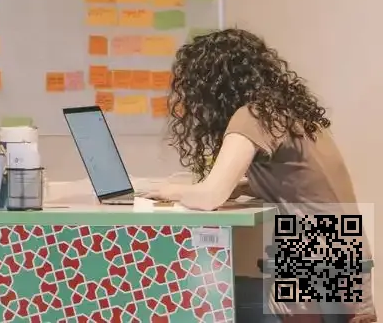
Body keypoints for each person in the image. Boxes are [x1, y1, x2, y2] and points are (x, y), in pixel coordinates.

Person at [146, 28, 374, 322]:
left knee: (213, 297)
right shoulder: (288, 111)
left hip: (314, 264)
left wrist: (168, 191)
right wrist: (243, 187)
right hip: (346, 254)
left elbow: (209, 196)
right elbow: (298, 182)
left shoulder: (253, 116)